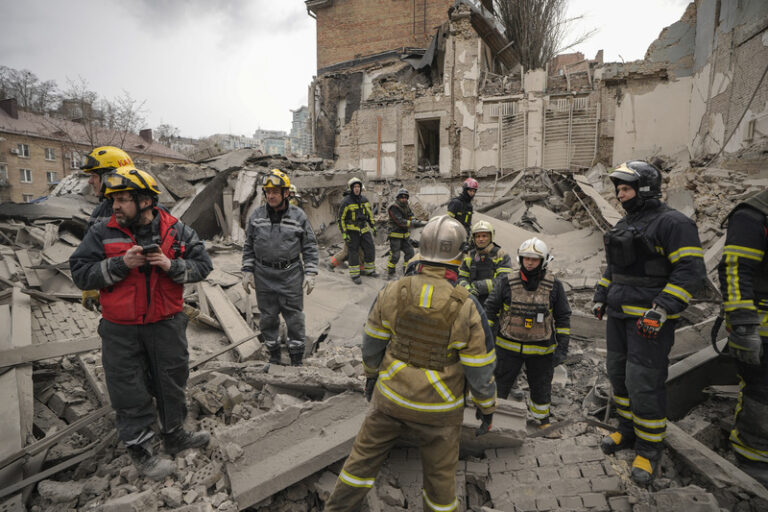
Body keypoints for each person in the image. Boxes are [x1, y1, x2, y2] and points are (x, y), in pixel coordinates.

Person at [323, 215, 497, 512]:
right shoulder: (467, 305)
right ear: (459, 256)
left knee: (359, 467)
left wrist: (371, 377)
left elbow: (372, 343)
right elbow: (479, 367)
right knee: (440, 486)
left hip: (390, 398)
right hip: (439, 409)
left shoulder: (393, 290)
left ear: (422, 251)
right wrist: (486, 407)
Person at [69, 166, 213, 480]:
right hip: (121, 329)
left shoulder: (175, 230)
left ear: (146, 201)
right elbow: (79, 272)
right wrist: (121, 263)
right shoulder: (101, 231)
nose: (115, 206)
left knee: (172, 382)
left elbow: (203, 265)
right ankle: (142, 450)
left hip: (166, 324)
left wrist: (171, 265)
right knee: (128, 389)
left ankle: (174, 434)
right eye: (113, 199)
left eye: (122, 199)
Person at [592, 161, 705, 486]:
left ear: (643, 189)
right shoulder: (626, 225)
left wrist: (662, 309)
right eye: (618, 189)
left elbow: (690, 272)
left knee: (644, 384)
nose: (619, 195)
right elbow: (613, 267)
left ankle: (649, 449)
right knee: (620, 378)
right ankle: (626, 432)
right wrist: (601, 294)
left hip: (649, 322)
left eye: (625, 189)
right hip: (618, 317)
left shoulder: (674, 224)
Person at [485, 237, 570, 428]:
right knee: (499, 385)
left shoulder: (555, 286)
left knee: (541, 387)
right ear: (520, 258)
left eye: (534, 259)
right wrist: (488, 340)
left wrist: (562, 348)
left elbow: (563, 317)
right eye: (526, 258)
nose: (529, 262)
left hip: (541, 351)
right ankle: (493, 418)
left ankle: (542, 420)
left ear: (544, 261)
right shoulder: (506, 282)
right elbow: (490, 310)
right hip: (507, 349)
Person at [241, 169, 318, 366]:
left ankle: (296, 358)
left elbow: (309, 246)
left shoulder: (298, 216)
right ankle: (273, 354)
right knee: (267, 318)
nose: (271, 195)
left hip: (290, 275)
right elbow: (248, 246)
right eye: (268, 191)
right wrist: (247, 270)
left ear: (286, 193)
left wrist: (310, 272)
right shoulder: (256, 217)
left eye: (276, 191)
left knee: (294, 317)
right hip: (263, 275)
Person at [717, 188, 768, 485]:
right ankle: (753, 457)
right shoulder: (754, 213)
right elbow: (735, 269)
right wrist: (744, 326)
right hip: (761, 324)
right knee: (761, 391)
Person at [79, 146, 135, 312]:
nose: (90, 181)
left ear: (111, 177)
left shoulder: (148, 211)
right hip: (115, 308)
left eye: (94, 176)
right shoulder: (100, 212)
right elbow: (87, 255)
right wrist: (88, 287)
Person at [458, 220, 514, 306]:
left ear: (491, 237)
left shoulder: (501, 255)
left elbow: (504, 281)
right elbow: (461, 278)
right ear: (474, 238)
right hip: (472, 301)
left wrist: (478, 286)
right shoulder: (469, 256)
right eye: (478, 236)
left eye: (484, 236)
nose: (481, 239)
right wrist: (468, 288)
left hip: (494, 303)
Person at [338, 177, 377, 284]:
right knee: (353, 252)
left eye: (358, 186)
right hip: (352, 231)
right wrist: (344, 234)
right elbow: (341, 219)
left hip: (364, 229)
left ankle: (370, 270)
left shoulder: (365, 200)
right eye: (355, 187)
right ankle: (355, 275)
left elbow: (369, 215)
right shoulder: (346, 202)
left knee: (370, 248)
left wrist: (373, 226)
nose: (357, 189)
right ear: (351, 188)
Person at [386, 188, 425, 279]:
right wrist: (412, 223)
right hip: (395, 235)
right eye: (402, 198)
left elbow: (411, 216)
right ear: (398, 198)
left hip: (405, 236)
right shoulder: (394, 207)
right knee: (395, 256)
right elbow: (400, 221)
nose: (404, 199)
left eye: (405, 198)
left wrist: (415, 220)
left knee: (410, 253)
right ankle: (391, 272)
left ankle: (407, 270)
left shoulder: (406, 206)